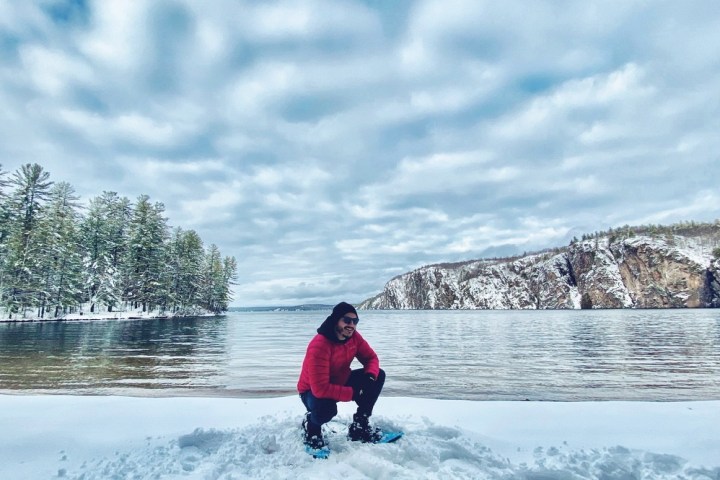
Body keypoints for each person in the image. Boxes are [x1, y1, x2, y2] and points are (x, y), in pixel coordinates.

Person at [297, 302, 386, 450]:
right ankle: (311, 427)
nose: (351, 324)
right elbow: (320, 389)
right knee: (327, 409)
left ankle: (360, 426)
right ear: (336, 320)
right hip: (311, 392)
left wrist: (370, 377)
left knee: (378, 375)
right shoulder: (319, 345)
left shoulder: (354, 338)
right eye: (347, 320)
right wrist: (354, 393)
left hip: (340, 380)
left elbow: (371, 358)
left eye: (355, 321)